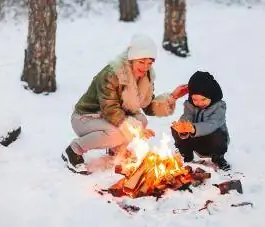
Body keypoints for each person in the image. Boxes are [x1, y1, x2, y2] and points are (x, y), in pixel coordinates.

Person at [62, 34, 188, 174]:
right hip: (86, 118)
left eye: (149, 63)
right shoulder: (112, 74)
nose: (145, 67)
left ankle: (117, 150)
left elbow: (148, 106)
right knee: (117, 133)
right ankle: (73, 150)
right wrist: (135, 129)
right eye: (141, 61)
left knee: (141, 120)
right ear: (132, 58)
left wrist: (173, 97)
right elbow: (110, 109)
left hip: (109, 117)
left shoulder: (145, 76)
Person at [171, 71, 231, 171]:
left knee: (218, 134)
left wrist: (194, 129)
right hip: (195, 140)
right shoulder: (190, 105)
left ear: (211, 95)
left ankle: (218, 158)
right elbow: (187, 116)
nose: (199, 103)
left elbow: (212, 124)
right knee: (176, 128)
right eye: (195, 99)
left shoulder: (219, 107)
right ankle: (187, 155)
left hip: (212, 142)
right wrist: (184, 127)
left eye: (203, 99)